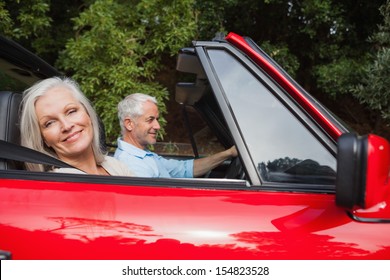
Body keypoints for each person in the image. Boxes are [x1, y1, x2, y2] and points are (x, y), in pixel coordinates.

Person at [20, 76, 134, 176]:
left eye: (71, 111)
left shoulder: (116, 165)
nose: (67, 126)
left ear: (88, 114)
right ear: (44, 139)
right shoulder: (56, 185)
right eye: (50, 123)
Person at [114, 93, 238, 178]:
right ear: (129, 124)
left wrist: (229, 153)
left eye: (156, 119)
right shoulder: (132, 165)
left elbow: (184, 169)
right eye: (150, 120)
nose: (157, 126)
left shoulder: (143, 155)